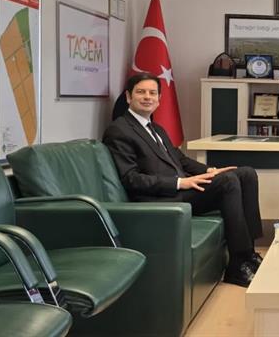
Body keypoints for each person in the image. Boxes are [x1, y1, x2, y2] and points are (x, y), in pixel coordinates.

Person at [103, 72, 263, 287]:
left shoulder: (156, 128)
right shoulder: (119, 130)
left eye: (152, 93)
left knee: (246, 174)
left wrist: (210, 170)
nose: (147, 97)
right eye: (141, 92)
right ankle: (237, 264)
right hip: (159, 198)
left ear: (159, 99)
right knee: (228, 182)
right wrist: (179, 183)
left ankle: (249, 253)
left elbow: (180, 159)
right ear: (129, 97)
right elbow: (131, 179)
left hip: (181, 189)